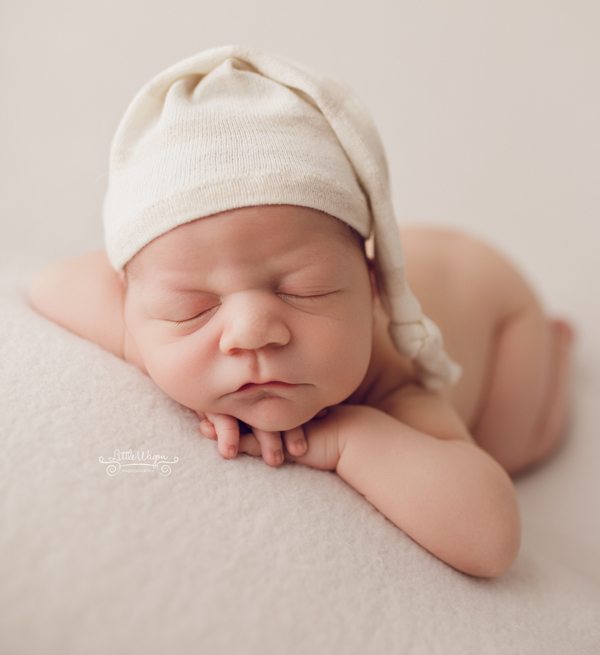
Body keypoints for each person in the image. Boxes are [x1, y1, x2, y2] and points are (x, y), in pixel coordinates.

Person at [28, 45, 575, 579]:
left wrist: (345, 438)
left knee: (511, 445)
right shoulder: (143, 312)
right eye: (192, 308)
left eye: (305, 291)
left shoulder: (394, 380)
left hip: (494, 301)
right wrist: (162, 356)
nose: (251, 333)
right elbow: (50, 284)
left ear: (374, 287)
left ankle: (555, 352)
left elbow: (490, 539)